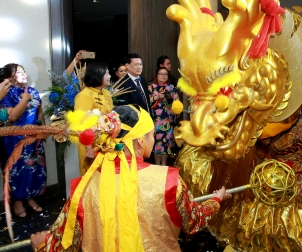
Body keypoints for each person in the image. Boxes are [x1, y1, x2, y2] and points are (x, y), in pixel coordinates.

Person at [30, 105, 231, 251]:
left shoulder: (84, 188)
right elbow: (193, 220)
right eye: (151, 135)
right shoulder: (168, 181)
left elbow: (63, 244)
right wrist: (216, 200)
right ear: (140, 142)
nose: (154, 139)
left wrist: (41, 244)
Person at [0, 63, 46, 217]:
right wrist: (25, 99)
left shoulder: (33, 90)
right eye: (19, 71)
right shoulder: (4, 93)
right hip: (13, 141)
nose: (24, 74)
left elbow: (39, 112)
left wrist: (43, 130)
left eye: (24, 71)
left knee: (34, 171)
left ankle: (31, 198)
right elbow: (12, 117)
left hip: (34, 139)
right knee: (15, 173)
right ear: (9, 76)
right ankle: (17, 202)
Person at [260, 95, 302, 194]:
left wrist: (293, 166)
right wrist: (266, 139)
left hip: (291, 173)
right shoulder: (291, 116)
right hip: (269, 162)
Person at [74, 62, 113, 175]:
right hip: (90, 145)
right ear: (97, 74)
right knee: (91, 178)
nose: (110, 76)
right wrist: (89, 149)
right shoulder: (84, 96)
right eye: (106, 73)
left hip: (106, 144)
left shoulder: (105, 93)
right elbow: (81, 124)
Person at [148, 67, 180, 165]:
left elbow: (177, 103)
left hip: (168, 119)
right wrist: (157, 97)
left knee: (166, 144)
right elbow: (146, 102)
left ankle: (164, 164)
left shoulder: (172, 87)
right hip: (155, 119)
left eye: (165, 74)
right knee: (157, 143)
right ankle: (157, 164)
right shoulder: (151, 87)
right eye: (161, 74)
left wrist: (176, 108)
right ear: (156, 75)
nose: (163, 76)